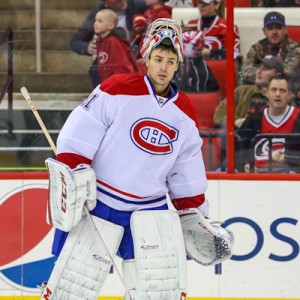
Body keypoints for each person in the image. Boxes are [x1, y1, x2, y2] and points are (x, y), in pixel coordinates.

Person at [42, 18, 233, 299]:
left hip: (149, 211)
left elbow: (186, 169)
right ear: (146, 57)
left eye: (170, 60)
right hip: (99, 203)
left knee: (157, 293)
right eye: (158, 58)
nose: (163, 66)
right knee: (71, 288)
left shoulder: (185, 113)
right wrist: (73, 171)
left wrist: (192, 213)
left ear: (178, 63)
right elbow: (80, 132)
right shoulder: (117, 88)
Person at [70, 0, 148, 87]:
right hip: (108, 56)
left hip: (137, 53)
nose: (121, 1)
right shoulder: (99, 13)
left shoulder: (139, 5)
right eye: (116, 1)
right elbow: (75, 41)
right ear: (105, 3)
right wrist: (87, 47)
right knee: (95, 69)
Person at [236, 73, 300, 173]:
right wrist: (245, 163)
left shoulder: (298, 118)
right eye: (274, 90)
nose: (278, 94)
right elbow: (239, 148)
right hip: (259, 179)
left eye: (282, 90)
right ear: (266, 93)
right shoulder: (254, 119)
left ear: (289, 95)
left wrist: (289, 158)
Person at [214, 57, 285, 129]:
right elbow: (219, 115)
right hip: (240, 136)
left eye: (265, 69)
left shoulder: (285, 96)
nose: (258, 72)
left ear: (277, 75)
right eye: (258, 68)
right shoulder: (241, 91)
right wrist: (235, 121)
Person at [242, 11, 300, 84]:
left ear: (285, 30)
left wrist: (263, 74)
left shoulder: (295, 48)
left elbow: (289, 71)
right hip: (260, 87)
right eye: (270, 28)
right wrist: (266, 75)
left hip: (286, 89)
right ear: (264, 31)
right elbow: (246, 71)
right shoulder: (256, 48)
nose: (274, 32)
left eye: (278, 28)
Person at [94, 9, 140, 82]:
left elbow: (121, 66)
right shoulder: (99, 40)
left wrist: (118, 84)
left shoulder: (113, 41)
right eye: (95, 20)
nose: (96, 23)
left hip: (121, 82)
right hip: (108, 82)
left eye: (100, 21)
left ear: (111, 25)